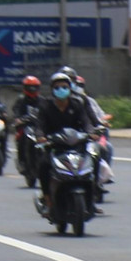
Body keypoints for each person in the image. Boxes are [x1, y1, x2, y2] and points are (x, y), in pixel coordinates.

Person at [31, 71, 97, 216]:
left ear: (69, 88)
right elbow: (39, 125)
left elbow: (86, 122)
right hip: (54, 146)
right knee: (44, 165)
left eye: (64, 86)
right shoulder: (45, 106)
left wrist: (91, 133)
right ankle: (47, 198)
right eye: (58, 87)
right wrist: (41, 136)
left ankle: (93, 196)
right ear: (53, 90)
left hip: (75, 145)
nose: (61, 90)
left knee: (94, 159)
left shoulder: (77, 104)